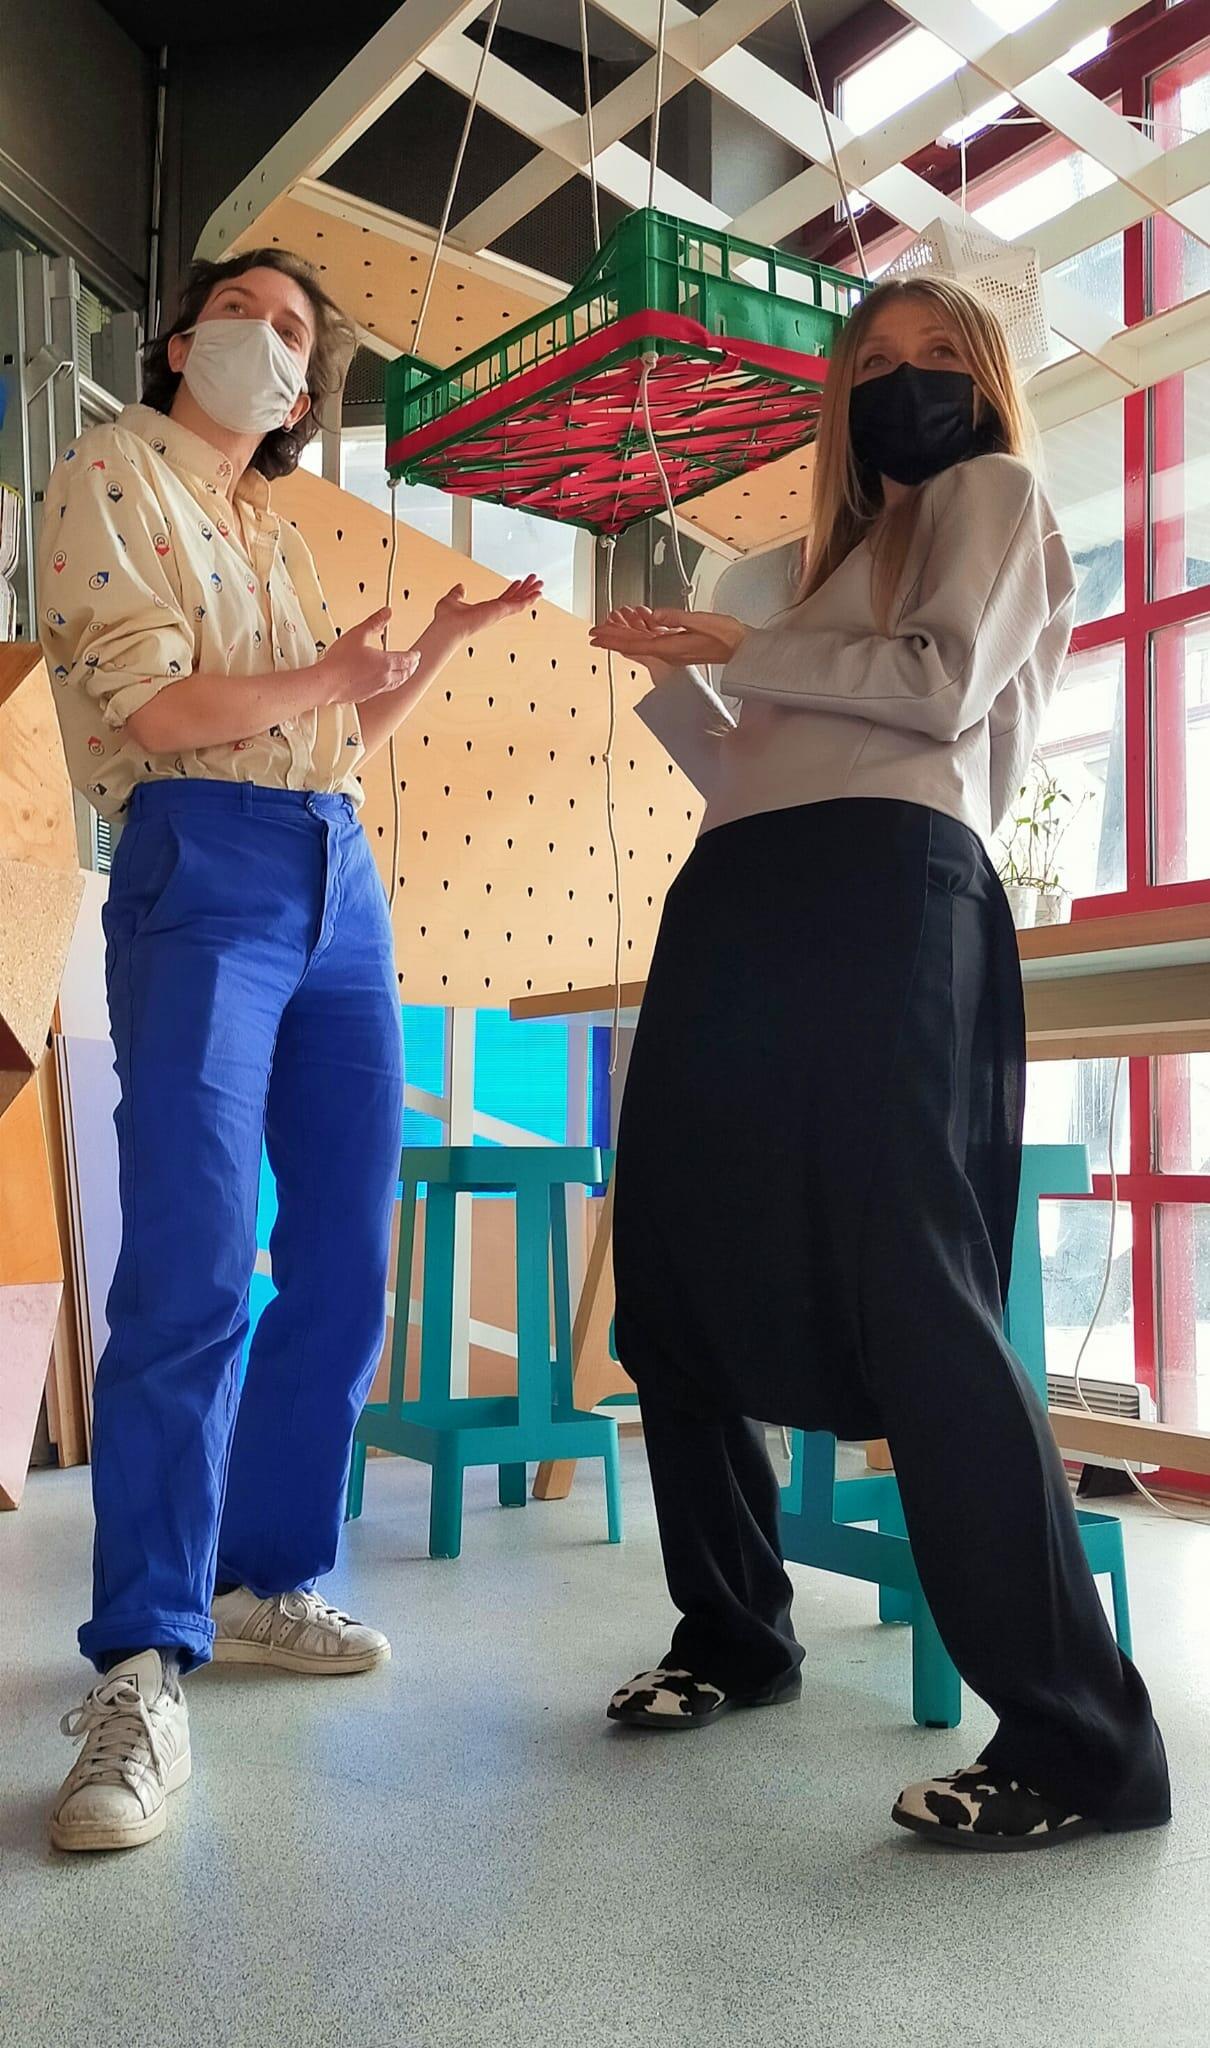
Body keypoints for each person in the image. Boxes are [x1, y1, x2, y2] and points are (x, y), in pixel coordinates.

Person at [589, 275, 1171, 1850]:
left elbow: (929, 691)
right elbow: (748, 766)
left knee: (912, 1291)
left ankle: (1085, 1743)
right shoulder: (796, 567)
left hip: (890, 883)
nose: (904, 382)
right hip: (740, 887)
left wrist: (744, 642)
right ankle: (733, 1630)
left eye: (937, 356)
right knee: (672, 1276)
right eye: (874, 362)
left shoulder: (992, 496)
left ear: (985, 379)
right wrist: (675, 675)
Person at [39, 249, 541, 1854]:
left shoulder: (269, 522)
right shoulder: (115, 469)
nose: (271, 342)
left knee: (342, 1255)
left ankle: (264, 1579)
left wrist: (429, 653)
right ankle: (139, 1661)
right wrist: (331, 676)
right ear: (181, 335)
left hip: (337, 874)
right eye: (246, 313)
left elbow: (327, 733)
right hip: (201, 857)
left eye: (298, 331)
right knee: (192, 1260)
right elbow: (161, 715)